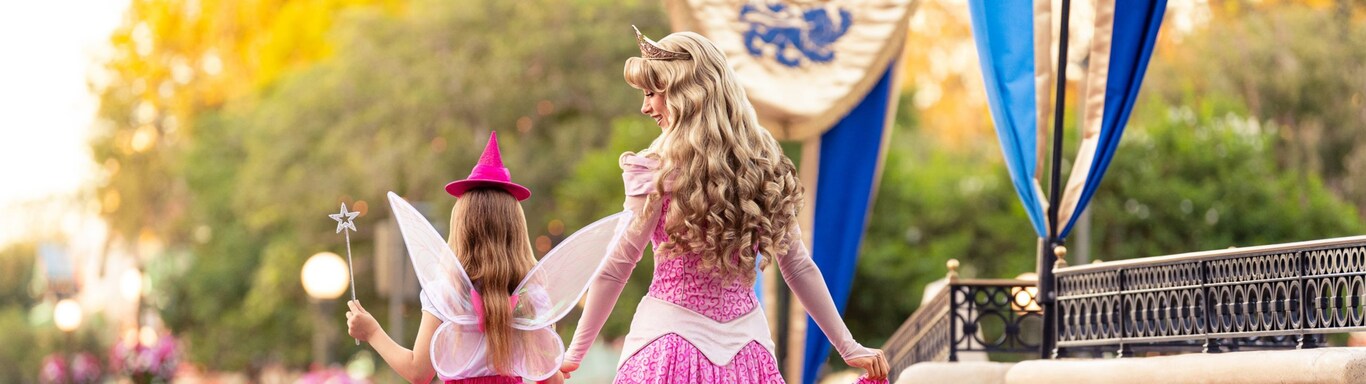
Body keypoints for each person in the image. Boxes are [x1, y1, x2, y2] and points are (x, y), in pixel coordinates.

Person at [558, 27, 890, 383]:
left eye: (652, 93)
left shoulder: (657, 168)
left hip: (672, 349)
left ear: (686, 91)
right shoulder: (761, 167)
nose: (645, 106)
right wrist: (848, 346)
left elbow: (617, 268)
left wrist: (572, 356)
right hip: (746, 352)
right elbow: (798, 266)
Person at [347, 132, 567, 384]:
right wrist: (557, 364)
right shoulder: (532, 297)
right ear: (516, 231)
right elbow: (551, 381)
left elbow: (419, 372)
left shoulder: (445, 294)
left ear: (461, 229)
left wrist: (372, 332)